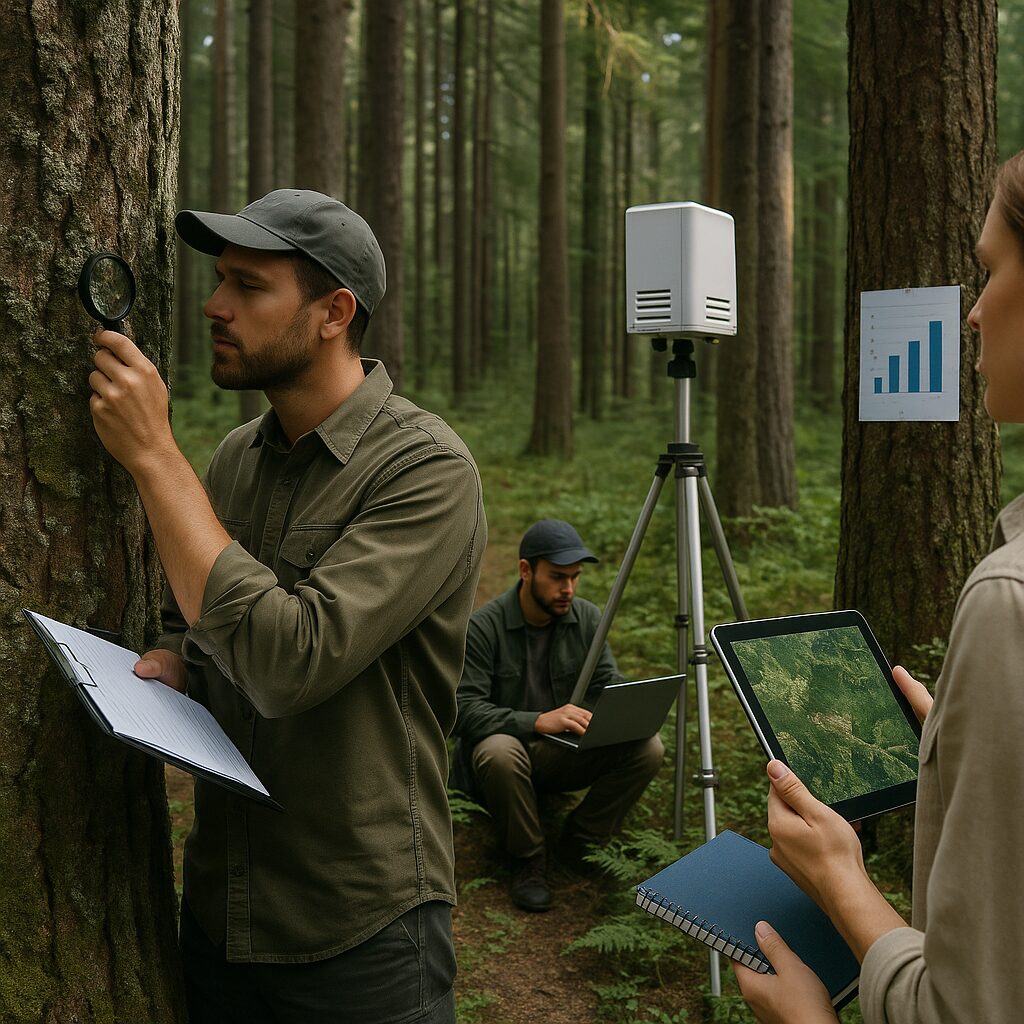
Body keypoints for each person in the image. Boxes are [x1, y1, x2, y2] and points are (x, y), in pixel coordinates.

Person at [87, 189, 486, 1024]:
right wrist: (174, 660)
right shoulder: (239, 456)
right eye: (219, 279)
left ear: (334, 312)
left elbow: (288, 662)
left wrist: (157, 457)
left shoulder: (425, 471)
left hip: (359, 933)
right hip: (220, 910)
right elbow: (188, 615)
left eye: (247, 285)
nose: (214, 304)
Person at [735, 154, 1024, 1023]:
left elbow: (970, 1006)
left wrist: (834, 877)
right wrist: (975, 753)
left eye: (991, 270)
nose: (972, 310)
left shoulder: (1009, 598)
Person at [453, 519, 664, 912]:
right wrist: (536, 720)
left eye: (575, 577)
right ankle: (528, 859)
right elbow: (462, 712)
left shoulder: (585, 618)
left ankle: (580, 843)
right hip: (498, 766)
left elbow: (606, 682)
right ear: (525, 571)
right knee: (499, 749)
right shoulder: (484, 628)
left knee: (649, 748)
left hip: (560, 756)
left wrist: (627, 702)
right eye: (557, 577)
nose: (567, 588)